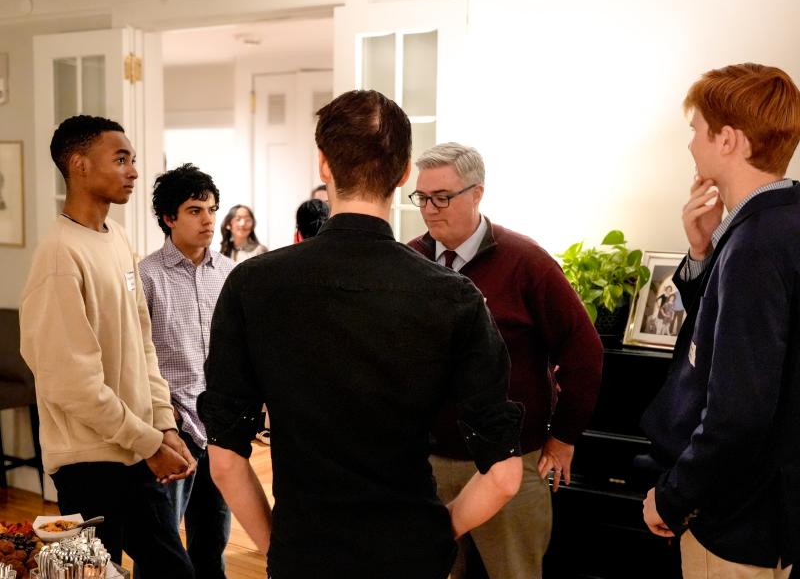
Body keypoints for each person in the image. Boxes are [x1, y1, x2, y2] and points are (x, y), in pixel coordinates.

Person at [199, 90, 524, 579]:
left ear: (324, 165)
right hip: (409, 553)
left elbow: (224, 461)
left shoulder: (252, 284)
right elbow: (503, 475)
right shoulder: (452, 296)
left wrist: (277, 545)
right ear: (403, 172)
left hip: (305, 551)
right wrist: (437, 533)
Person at [407, 142, 603, 579]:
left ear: (477, 194)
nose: (430, 209)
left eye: (443, 197)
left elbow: (583, 349)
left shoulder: (526, 261)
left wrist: (564, 436)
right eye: (422, 197)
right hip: (429, 463)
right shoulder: (411, 260)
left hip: (511, 462)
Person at [641, 63, 800, 578]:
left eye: (696, 130)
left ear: (728, 140)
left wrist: (672, 498)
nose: (690, 144)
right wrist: (701, 251)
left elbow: (738, 411)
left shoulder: (755, 244)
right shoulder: (782, 222)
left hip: (740, 524)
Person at [19, 115, 195, 578]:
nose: (133, 171)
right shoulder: (59, 254)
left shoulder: (117, 237)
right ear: (78, 165)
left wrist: (164, 425)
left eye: (133, 160)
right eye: (120, 159)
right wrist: (149, 440)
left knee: (175, 571)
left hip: (135, 448)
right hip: (88, 464)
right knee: (96, 576)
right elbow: (70, 384)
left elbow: (143, 343)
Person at [138, 163, 234, 579]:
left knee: (212, 544)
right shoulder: (146, 277)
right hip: (172, 430)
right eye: (195, 210)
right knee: (159, 550)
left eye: (212, 209)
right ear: (168, 218)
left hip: (219, 428)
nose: (208, 219)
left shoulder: (231, 273)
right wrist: (164, 421)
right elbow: (137, 359)